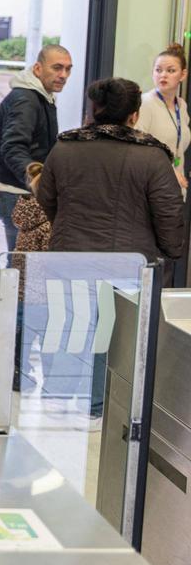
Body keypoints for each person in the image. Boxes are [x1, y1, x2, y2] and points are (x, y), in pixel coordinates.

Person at [37, 78, 186, 417]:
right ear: (134, 115)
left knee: (66, 322)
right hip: (127, 263)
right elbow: (169, 211)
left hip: (68, 256)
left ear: (94, 110)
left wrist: (69, 229)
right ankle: (96, 404)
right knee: (112, 332)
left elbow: (46, 198)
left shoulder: (65, 147)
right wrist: (170, 251)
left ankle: (56, 395)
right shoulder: (151, 156)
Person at [0, 44, 73, 250]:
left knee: (23, 264)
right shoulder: (26, 100)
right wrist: (36, 179)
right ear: (37, 69)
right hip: (16, 194)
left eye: (68, 69)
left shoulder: (41, 96)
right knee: (22, 265)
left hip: (18, 192)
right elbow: (12, 147)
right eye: (57, 68)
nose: (63, 75)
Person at [9, 161, 51, 392]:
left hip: (22, 290)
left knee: (21, 334)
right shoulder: (47, 224)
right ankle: (38, 377)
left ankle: (17, 374)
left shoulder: (26, 215)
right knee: (43, 336)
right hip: (41, 293)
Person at [134, 44, 190, 191]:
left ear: (183, 75)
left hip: (176, 187)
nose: (163, 75)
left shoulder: (182, 106)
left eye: (171, 71)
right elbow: (138, 145)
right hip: (151, 186)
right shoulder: (145, 103)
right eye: (158, 70)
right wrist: (169, 170)